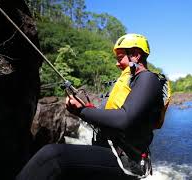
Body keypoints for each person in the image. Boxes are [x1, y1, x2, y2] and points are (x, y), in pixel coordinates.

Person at [16, 33, 166, 180]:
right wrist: (88, 109)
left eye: (120, 58)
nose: (116, 63)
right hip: (109, 149)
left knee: (52, 157)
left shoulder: (148, 79)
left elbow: (124, 118)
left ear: (135, 55)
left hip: (125, 162)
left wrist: (82, 111)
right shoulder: (130, 81)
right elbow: (112, 117)